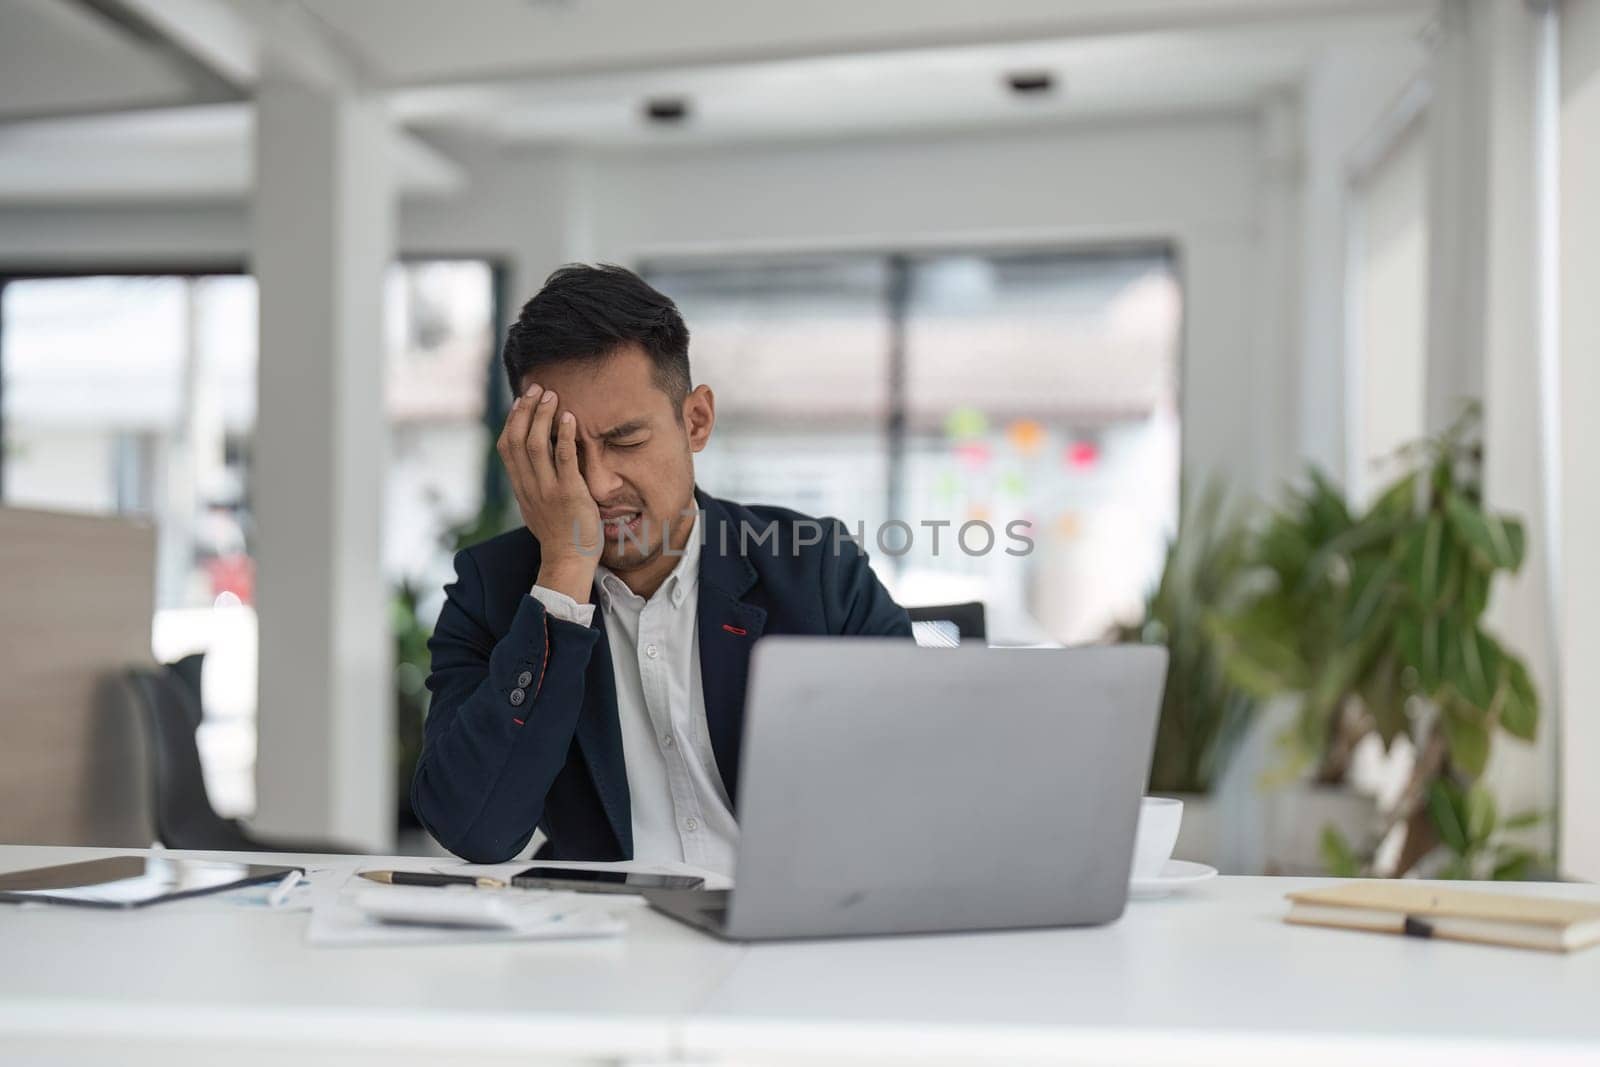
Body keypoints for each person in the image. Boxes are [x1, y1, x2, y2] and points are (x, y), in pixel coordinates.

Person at [412, 264, 911, 871]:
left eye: (625, 441)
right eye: (562, 451)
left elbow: (911, 789)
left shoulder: (817, 571)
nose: (597, 483)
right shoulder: (494, 591)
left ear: (695, 421)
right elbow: (475, 830)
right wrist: (564, 572)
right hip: (604, 941)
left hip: (790, 928)